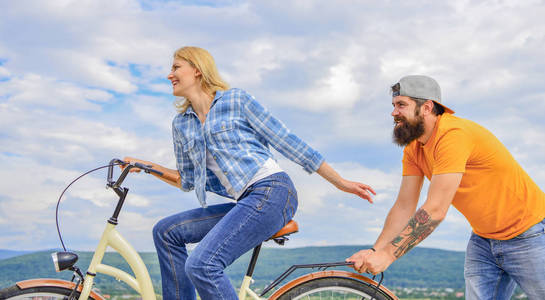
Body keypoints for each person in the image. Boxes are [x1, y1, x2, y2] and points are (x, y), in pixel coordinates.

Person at [122, 46, 376, 300]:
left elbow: (286, 140)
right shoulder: (182, 124)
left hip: (273, 191)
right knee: (167, 231)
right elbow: (186, 180)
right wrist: (145, 166)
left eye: (176, 67)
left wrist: (340, 181)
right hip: (246, 201)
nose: (170, 75)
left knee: (202, 265)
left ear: (197, 70)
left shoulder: (235, 101)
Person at [346, 75, 545, 299]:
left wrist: (389, 255)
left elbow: (435, 209)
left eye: (402, 105)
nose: (394, 113)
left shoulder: (452, 136)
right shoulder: (414, 149)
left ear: (427, 107)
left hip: (530, 233)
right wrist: (376, 251)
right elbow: (404, 206)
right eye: (393, 106)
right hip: (484, 240)